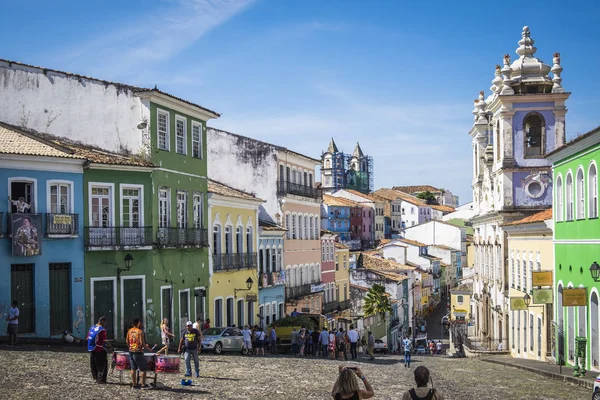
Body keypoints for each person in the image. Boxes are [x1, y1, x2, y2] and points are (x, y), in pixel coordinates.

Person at [126, 318, 153, 389]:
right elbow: (142, 343)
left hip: (131, 351)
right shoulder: (140, 331)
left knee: (133, 368)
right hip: (138, 352)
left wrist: (131, 347)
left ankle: (134, 385)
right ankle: (143, 385)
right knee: (143, 368)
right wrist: (148, 348)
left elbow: (127, 342)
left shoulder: (129, 331)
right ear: (138, 323)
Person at [87, 316, 108, 384]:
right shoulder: (102, 329)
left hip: (91, 348)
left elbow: (88, 338)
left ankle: (95, 377)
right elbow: (104, 340)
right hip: (99, 348)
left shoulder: (91, 328)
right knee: (102, 364)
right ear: (102, 321)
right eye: (105, 322)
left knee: (93, 364)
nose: (105, 323)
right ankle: (101, 379)